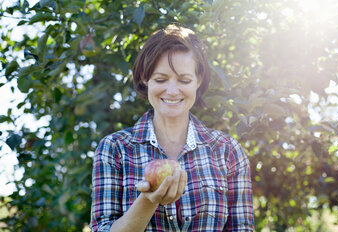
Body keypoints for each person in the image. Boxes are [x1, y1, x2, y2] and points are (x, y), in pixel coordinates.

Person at [90, 25, 254, 231]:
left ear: (198, 80)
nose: (173, 91)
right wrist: (148, 201)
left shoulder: (227, 151)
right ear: (144, 77)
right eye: (161, 79)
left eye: (184, 80)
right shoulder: (115, 149)